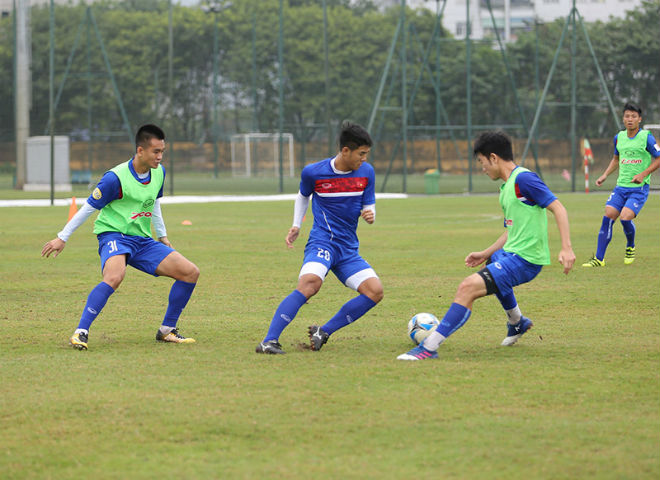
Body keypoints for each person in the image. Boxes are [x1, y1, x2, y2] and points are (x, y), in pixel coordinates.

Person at [398, 130, 575, 361]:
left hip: (526, 260)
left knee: (467, 288)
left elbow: (559, 208)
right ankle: (517, 322)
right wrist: (485, 252)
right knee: (493, 260)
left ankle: (428, 348)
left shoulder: (524, 179)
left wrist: (567, 247)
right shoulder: (507, 187)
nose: (482, 168)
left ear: (493, 158)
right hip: (511, 253)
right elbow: (511, 231)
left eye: (482, 162)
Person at [41, 124, 200, 350]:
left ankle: (167, 330)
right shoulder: (115, 178)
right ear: (140, 150)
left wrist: (162, 236)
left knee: (190, 272)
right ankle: (81, 332)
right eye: (156, 151)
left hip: (142, 240)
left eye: (163, 151)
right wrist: (62, 237)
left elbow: (153, 202)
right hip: (114, 235)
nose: (160, 156)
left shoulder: (159, 173)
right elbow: (88, 208)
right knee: (115, 276)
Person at [256, 122, 383, 354]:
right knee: (310, 285)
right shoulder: (314, 172)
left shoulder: (367, 172)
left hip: (347, 249)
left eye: (367, 154)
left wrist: (370, 214)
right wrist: (296, 225)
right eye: (361, 154)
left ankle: (323, 331)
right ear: (345, 151)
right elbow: (303, 196)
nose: (364, 159)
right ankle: (269, 341)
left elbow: (369, 204)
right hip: (322, 242)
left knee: (375, 291)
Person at [582, 102, 660, 267]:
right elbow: (616, 159)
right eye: (627, 116)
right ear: (623, 118)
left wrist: (643, 174)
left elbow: (659, 158)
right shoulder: (619, 137)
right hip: (620, 187)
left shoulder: (646, 137)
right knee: (608, 214)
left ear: (639, 119)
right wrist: (604, 175)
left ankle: (630, 246)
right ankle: (599, 259)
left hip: (638, 189)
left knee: (625, 218)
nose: (630, 119)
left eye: (633, 116)